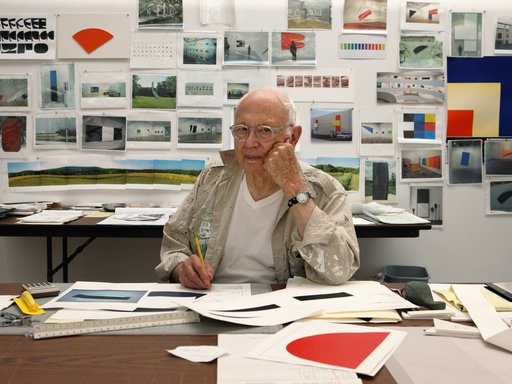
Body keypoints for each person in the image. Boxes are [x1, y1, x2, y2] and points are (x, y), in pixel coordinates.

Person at [156, 88, 360, 289]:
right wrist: (181, 268)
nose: (250, 143)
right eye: (242, 130)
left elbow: (339, 269)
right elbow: (174, 243)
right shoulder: (213, 178)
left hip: (285, 307)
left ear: (293, 137)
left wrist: (294, 186)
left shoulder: (326, 190)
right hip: (212, 300)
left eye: (264, 131)